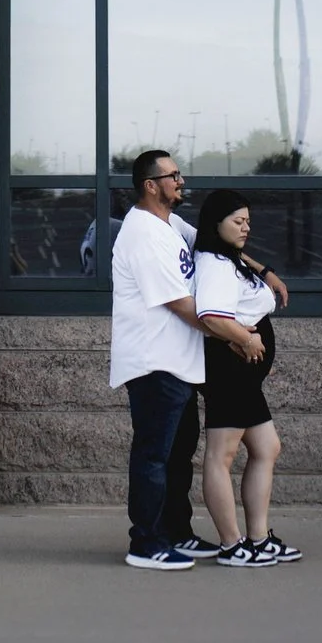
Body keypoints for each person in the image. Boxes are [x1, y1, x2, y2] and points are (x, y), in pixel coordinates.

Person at [108, 149, 222, 571]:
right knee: (153, 455)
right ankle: (145, 542)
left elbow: (212, 243)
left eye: (180, 173)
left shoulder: (169, 224)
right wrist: (234, 334)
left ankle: (176, 532)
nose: (181, 180)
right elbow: (182, 305)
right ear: (150, 185)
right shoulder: (142, 234)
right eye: (173, 175)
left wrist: (261, 271)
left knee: (177, 455)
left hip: (179, 363)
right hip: (154, 363)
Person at [190, 189, 301, 569]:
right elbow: (211, 316)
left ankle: (258, 538)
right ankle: (231, 544)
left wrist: (265, 271)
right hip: (228, 369)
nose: (245, 228)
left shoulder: (227, 257)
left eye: (248, 221)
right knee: (222, 455)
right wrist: (248, 339)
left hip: (242, 373)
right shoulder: (215, 266)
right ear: (215, 223)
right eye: (237, 221)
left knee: (266, 448)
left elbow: (238, 256)